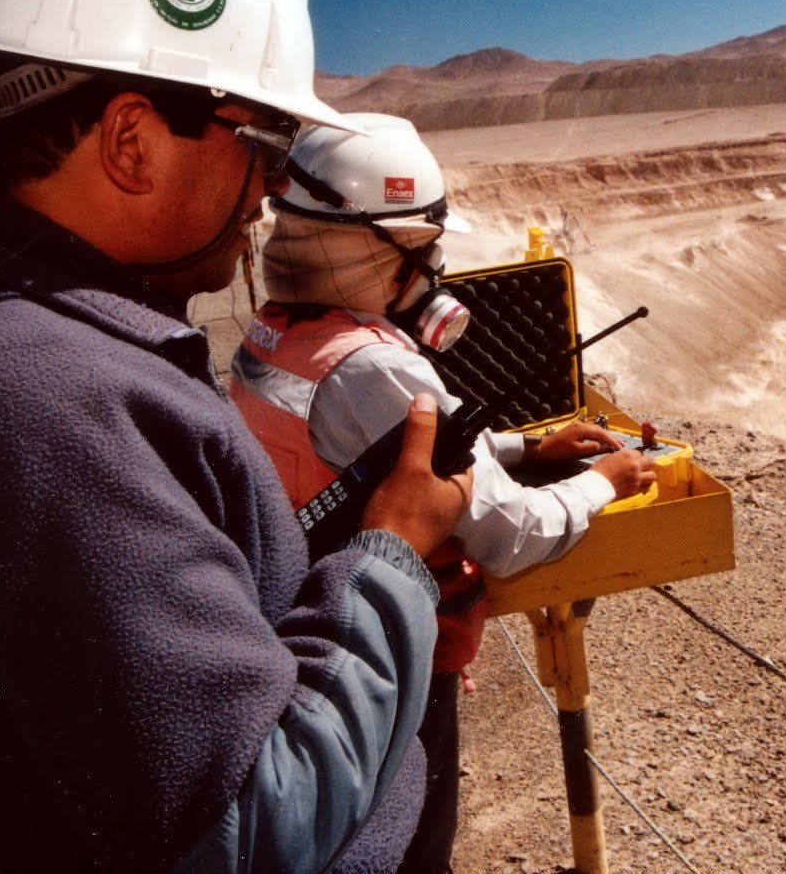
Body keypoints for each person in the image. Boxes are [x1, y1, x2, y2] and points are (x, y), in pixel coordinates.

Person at [0, 0, 469, 872]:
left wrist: (354, 567)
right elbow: (255, 829)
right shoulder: (43, 402)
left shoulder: (25, 344)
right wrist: (391, 561)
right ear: (128, 141)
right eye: (263, 139)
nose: (268, 193)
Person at [229, 111, 657, 871]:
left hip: (310, 617)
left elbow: (392, 457)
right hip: (387, 659)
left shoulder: (277, 334)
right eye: (422, 251)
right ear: (372, 248)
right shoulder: (374, 366)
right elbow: (512, 532)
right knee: (414, 845)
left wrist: (528, 444)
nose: (431, 274)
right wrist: (603, 481)